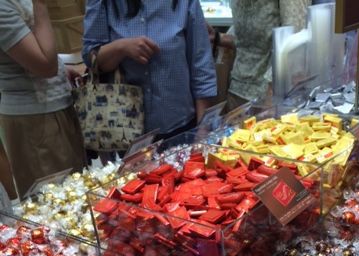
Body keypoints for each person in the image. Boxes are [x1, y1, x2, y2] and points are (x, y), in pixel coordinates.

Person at [82, 0, 217, 138]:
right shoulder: (105, 3)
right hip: (123, 126)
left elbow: (201, 65)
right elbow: (91, 57)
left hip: (178, 122)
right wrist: (121, 48)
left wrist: (203, 128)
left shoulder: (183, 3)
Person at [0, 0, 85, 199]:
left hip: (52, 107)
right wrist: (41, 5)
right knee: (57, 201)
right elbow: (45, 66)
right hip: (34, 117)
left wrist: (62, 70)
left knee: (79, 190)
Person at [213, 0, 312, 111]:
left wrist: (271, 92)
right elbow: (250, 25)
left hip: (270, 94)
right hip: (238, 88)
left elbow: (296, 37)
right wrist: (220, 38)